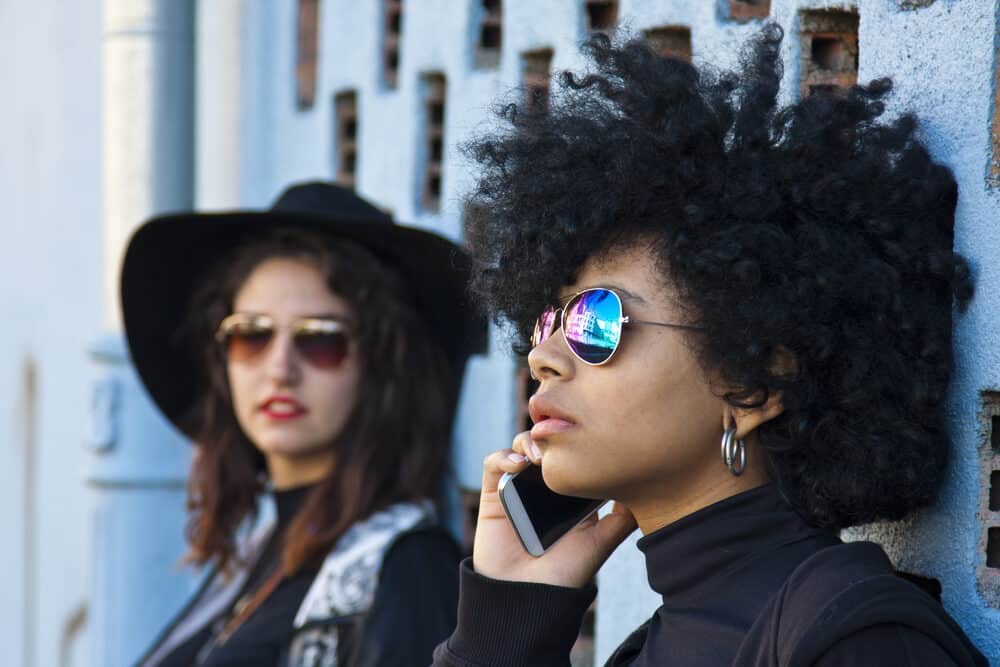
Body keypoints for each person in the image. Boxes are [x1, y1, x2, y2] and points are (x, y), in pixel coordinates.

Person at [432, 27, 987, 666]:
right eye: (548, 318)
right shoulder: (647, 650)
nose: (542, 357)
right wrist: (502, 626)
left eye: (596, 320)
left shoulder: (856, 638)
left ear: (752, 384)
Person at [121, 182, 487, 666]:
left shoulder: (406, 568)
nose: (279, 369)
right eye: (251, 336)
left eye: (319, 340)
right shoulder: (258, 553)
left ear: (380, 367)